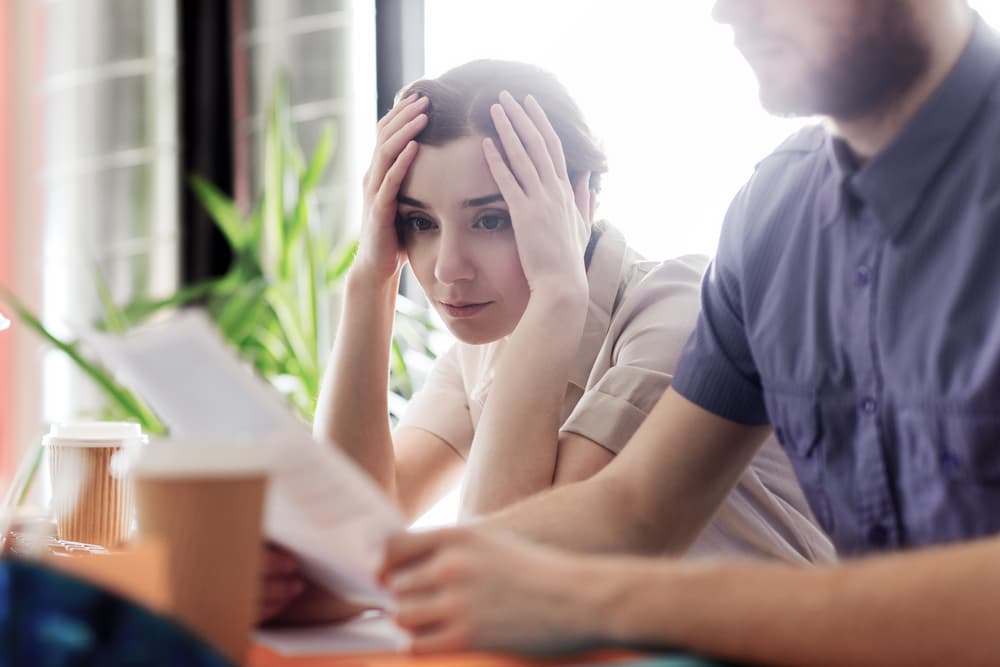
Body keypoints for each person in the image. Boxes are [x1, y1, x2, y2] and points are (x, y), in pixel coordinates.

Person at [381, 1, 1000, 664]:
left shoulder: (662, 305)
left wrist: (596, 598)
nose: (726, 9)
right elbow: (635, 508)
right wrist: (390, 577)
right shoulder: (775, 215)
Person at [259, 59, 833, 624]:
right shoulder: (489, 342)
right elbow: (356, 524)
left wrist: (560, 292)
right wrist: (370, 279)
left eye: (490, 220)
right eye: (419, 223)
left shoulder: (673, 314)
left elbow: (503, 575)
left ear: (579, 199)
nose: (447, 269)